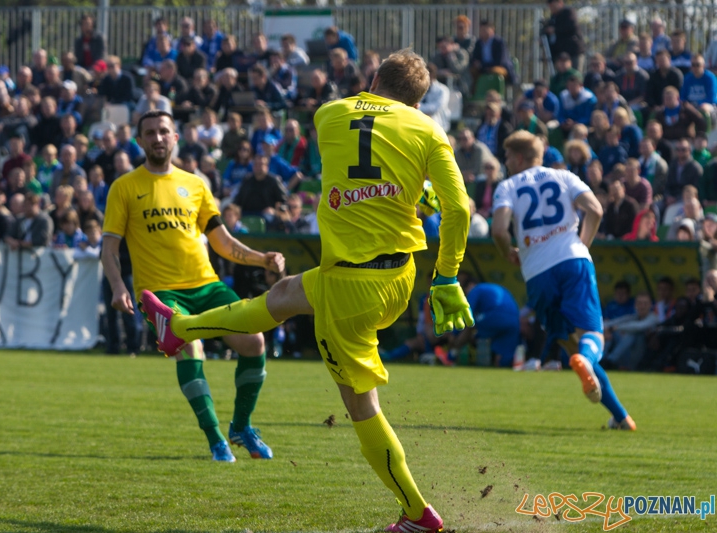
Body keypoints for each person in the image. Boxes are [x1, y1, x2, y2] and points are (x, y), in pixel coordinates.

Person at [140, 49, 473, 533]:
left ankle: (416, 512)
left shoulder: (328, 114)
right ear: (418, 103)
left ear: (373, 79)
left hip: (350, 286)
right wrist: (446, 276)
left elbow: (361, 151)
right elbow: (458, 208)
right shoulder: (427, 129)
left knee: (361, 406)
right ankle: (181, 328)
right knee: (282, 297)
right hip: (396, 276)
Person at [101, 110, 286, 463]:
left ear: (175, 138)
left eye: (163, 131)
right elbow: (109, 248)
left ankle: (241, 427)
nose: (157, 137)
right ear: (139, 141)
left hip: (206, 285)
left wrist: (261, 258)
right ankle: (216, 439)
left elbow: (222, 241)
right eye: (150, 132)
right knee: (189, 347)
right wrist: (117, 286)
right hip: (161, 293)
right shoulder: (124, 187)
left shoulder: (196, 184)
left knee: (255, 342)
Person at [491, 130, 636, 430]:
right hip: (571, 260)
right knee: (592, 337)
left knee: (573, 345)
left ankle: (621, 418)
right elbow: (595, 209)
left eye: (507, 157)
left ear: (519, 158)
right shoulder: (564, 177)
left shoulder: (507, 186)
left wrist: (508, 253)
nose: (506, 163)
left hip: (536, 273)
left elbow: (499, 230)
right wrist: (583, 243)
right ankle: (592, 369)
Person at [544, 0, 585, 71]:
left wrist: (555, 30)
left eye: (553, 6)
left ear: (560, 3)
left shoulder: (568, 12)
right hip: (559, 53)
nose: (551, 8)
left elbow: (571, 26)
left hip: (573, 52)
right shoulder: (553, 17)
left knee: (574, 74)